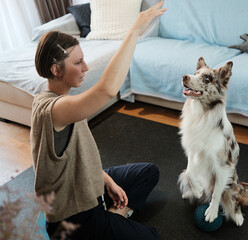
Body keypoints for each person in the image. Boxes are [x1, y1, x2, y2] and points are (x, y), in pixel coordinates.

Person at [30, 1, 166, 239]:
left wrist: (108, 181)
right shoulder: (54, 109)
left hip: (88, 187)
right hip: (75, 218)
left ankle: (113, 216)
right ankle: (112, 219)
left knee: (147, 173)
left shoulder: (64, 100)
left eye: (83, 59)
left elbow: (78, 160)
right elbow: (106, 90)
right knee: (151, 237)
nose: (86, 67)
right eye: (77, 63)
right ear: (55, 70)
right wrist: (134, 32)